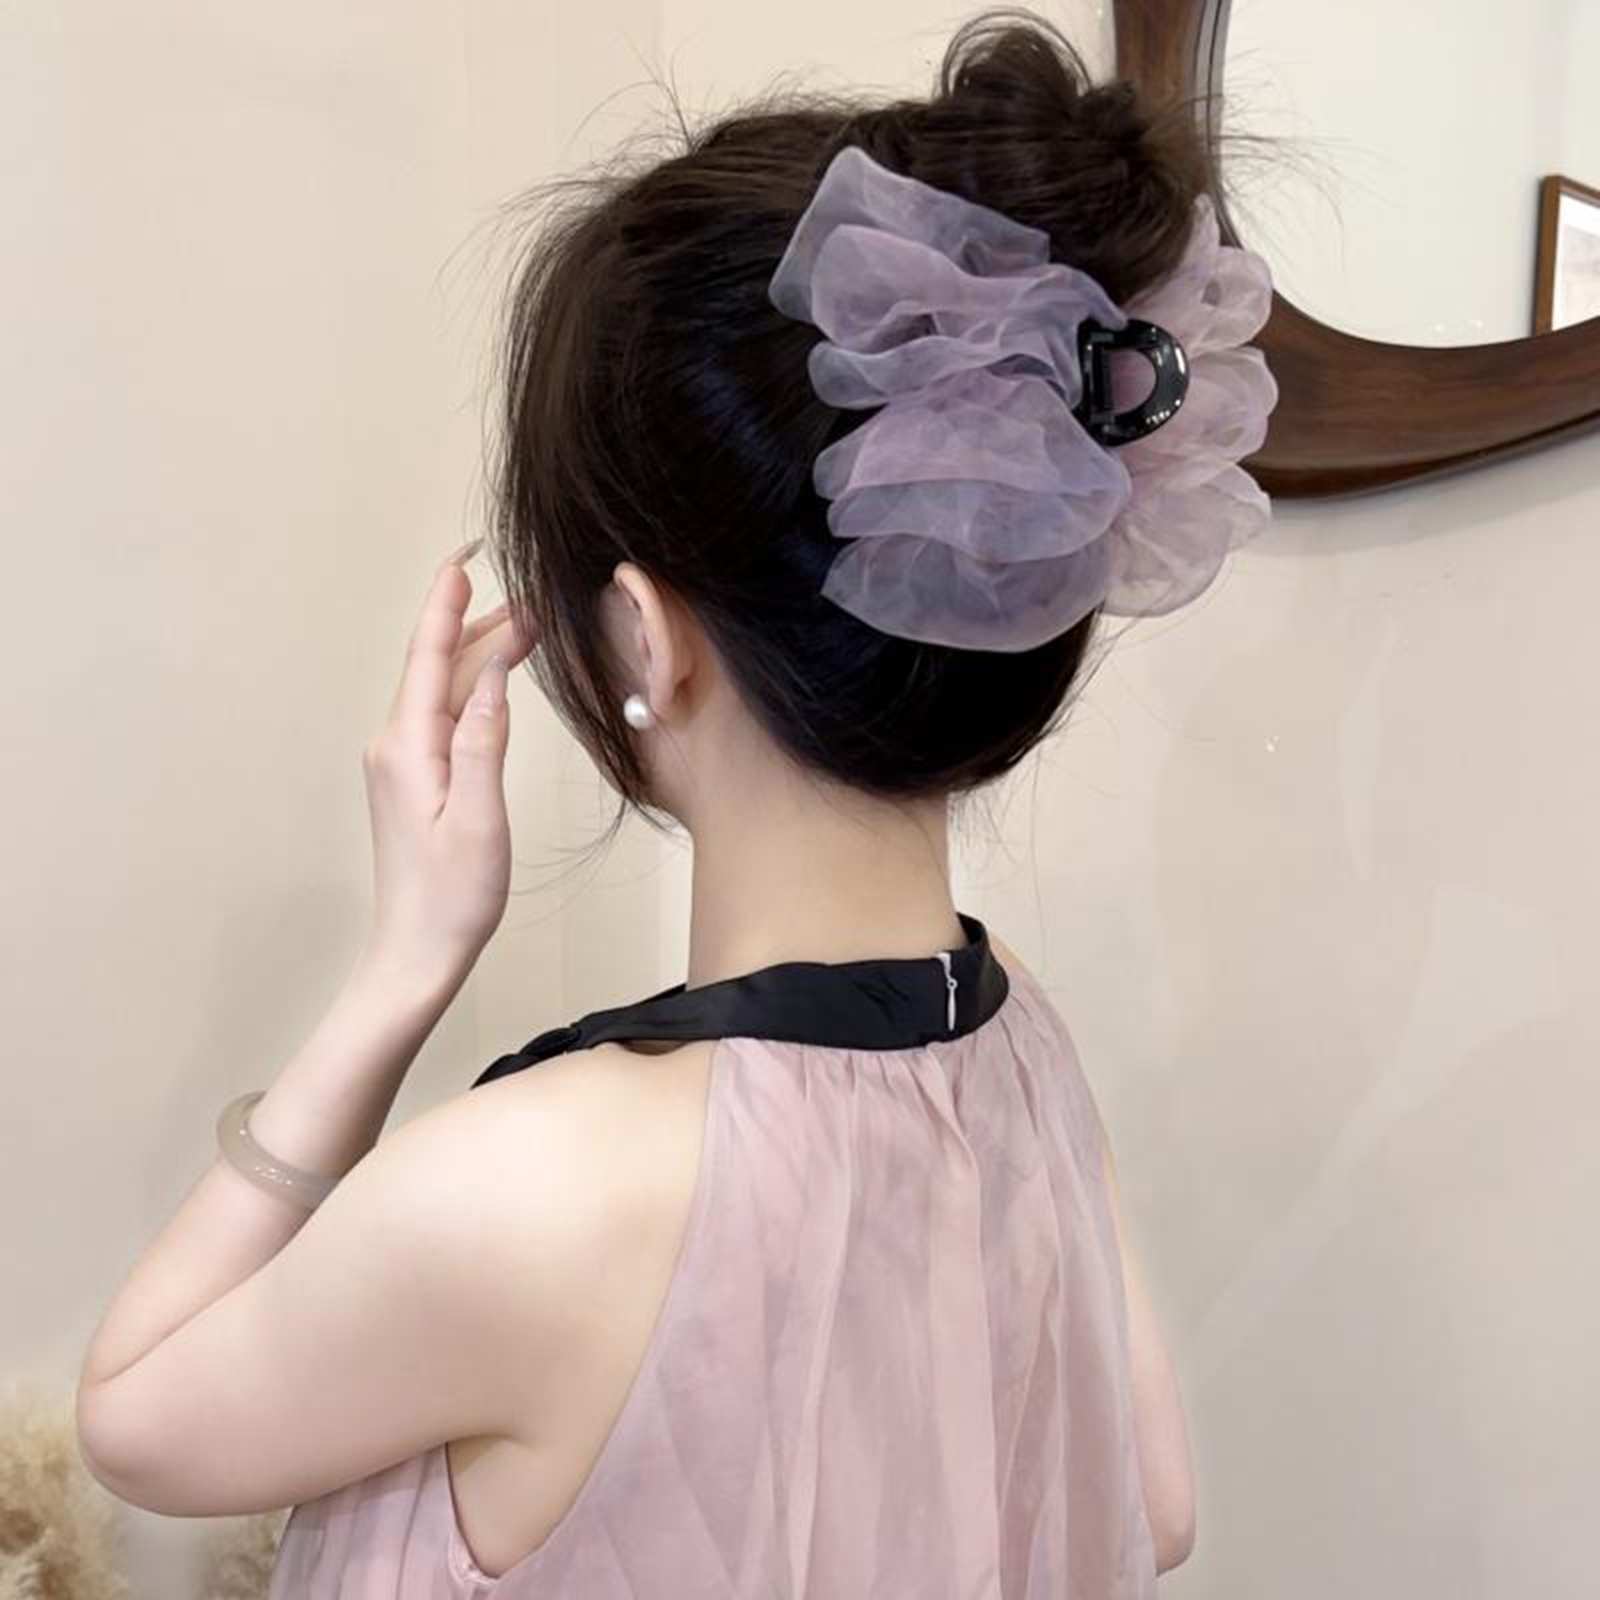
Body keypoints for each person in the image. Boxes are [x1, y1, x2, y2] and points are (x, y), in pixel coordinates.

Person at [78, 8, 1277, 1594]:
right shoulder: (1017, 1050)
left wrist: (403, 967)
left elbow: (134, 1424)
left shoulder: (538, 1187)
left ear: (643, 634)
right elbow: (1153, 1504)